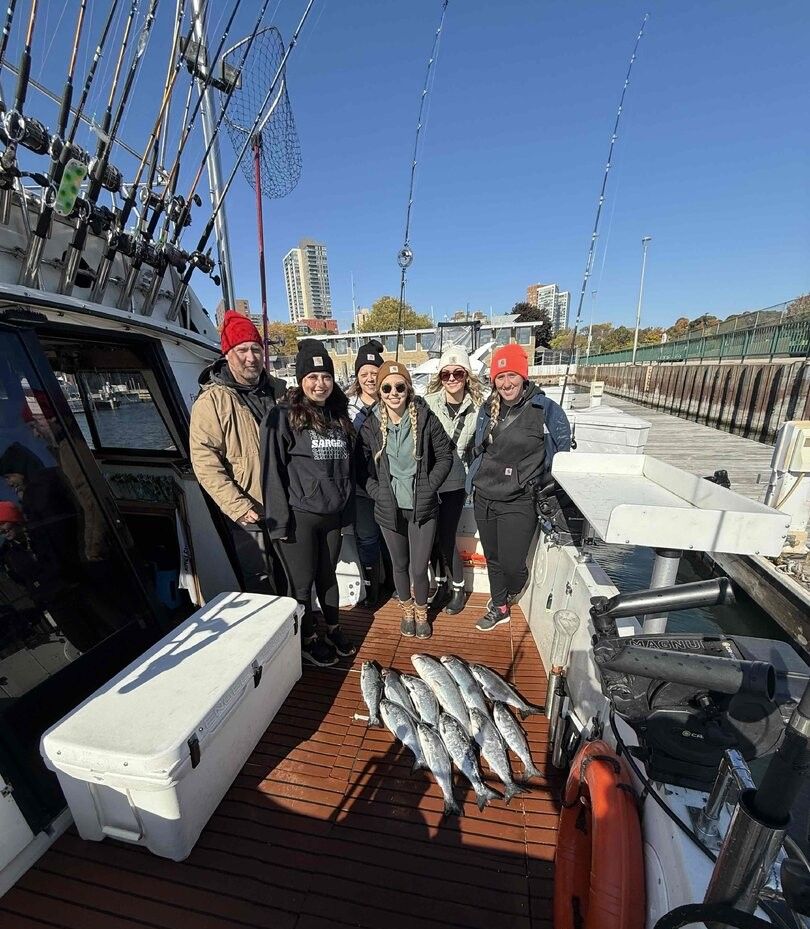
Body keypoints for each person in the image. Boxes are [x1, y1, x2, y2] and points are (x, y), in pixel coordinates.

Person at [262, 340, 356, 667]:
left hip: (332, 516)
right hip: (299, 517)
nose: (320, 384)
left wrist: (346, 513)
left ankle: (332, 627)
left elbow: (346, 468)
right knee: (301, 584)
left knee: (328, 577)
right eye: (313, 377)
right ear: (301, 380)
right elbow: (271, 470)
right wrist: (278, 521)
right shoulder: (282, 415)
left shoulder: (339, 415)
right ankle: (306, 637)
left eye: (326, 376)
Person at [467, 344, 571, 632]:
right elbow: (479, 449)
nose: (506, 383)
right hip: (484, 495)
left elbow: (563, 454)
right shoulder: (488, 409)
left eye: (512, 375)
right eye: (500, 377)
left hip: (520, 499)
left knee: (512, 564)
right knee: (493, 557)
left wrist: (543, 482)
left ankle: (514, 587)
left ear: (524, 377)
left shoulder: (546, 410)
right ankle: (499, 606)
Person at [190, 311, 287, 594]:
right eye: (242, 349)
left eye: (256, 349)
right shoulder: (212, 401)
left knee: (292, 575)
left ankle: (302, 631)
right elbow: (205, 461)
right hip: (250, 509)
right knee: (261, 581)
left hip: (288, 504)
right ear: (228, 354)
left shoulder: (279, 392)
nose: (251, 357)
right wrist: (238, 506)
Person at [357, 361, 452, 639]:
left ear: (408, 388)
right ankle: (406, 611)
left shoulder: (425, 417)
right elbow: (360, 469)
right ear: (380, 392)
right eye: (386, 387)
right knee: (399, 565)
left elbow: (445, 456)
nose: (393, 392)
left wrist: (429, 487)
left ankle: (422, 612)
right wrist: (377, 493)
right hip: (389, 509)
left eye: (400, 386)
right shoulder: (371, 424)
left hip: (421, 507)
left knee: (419, 567)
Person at [424, 345, 484, 615]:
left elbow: (482, 447)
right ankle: (440, 585)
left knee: (446, 536)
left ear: (467, 376)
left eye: (457, 373)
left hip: (456, 483)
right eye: (446, 373)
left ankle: (457, 587)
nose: (451, 378)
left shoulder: (479, 408)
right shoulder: (427, 402)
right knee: (432, 537)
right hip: (430, 478)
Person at [347, 339, 385, 606]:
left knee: (391, 537)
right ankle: (372, 588)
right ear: (357, 377)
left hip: (390, 485)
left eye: (375, 373)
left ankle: (395, 583)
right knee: (367, 538)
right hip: (360, 487)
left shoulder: (393, 401)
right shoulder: (346, 409)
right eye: (365, 374)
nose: (370, 378)